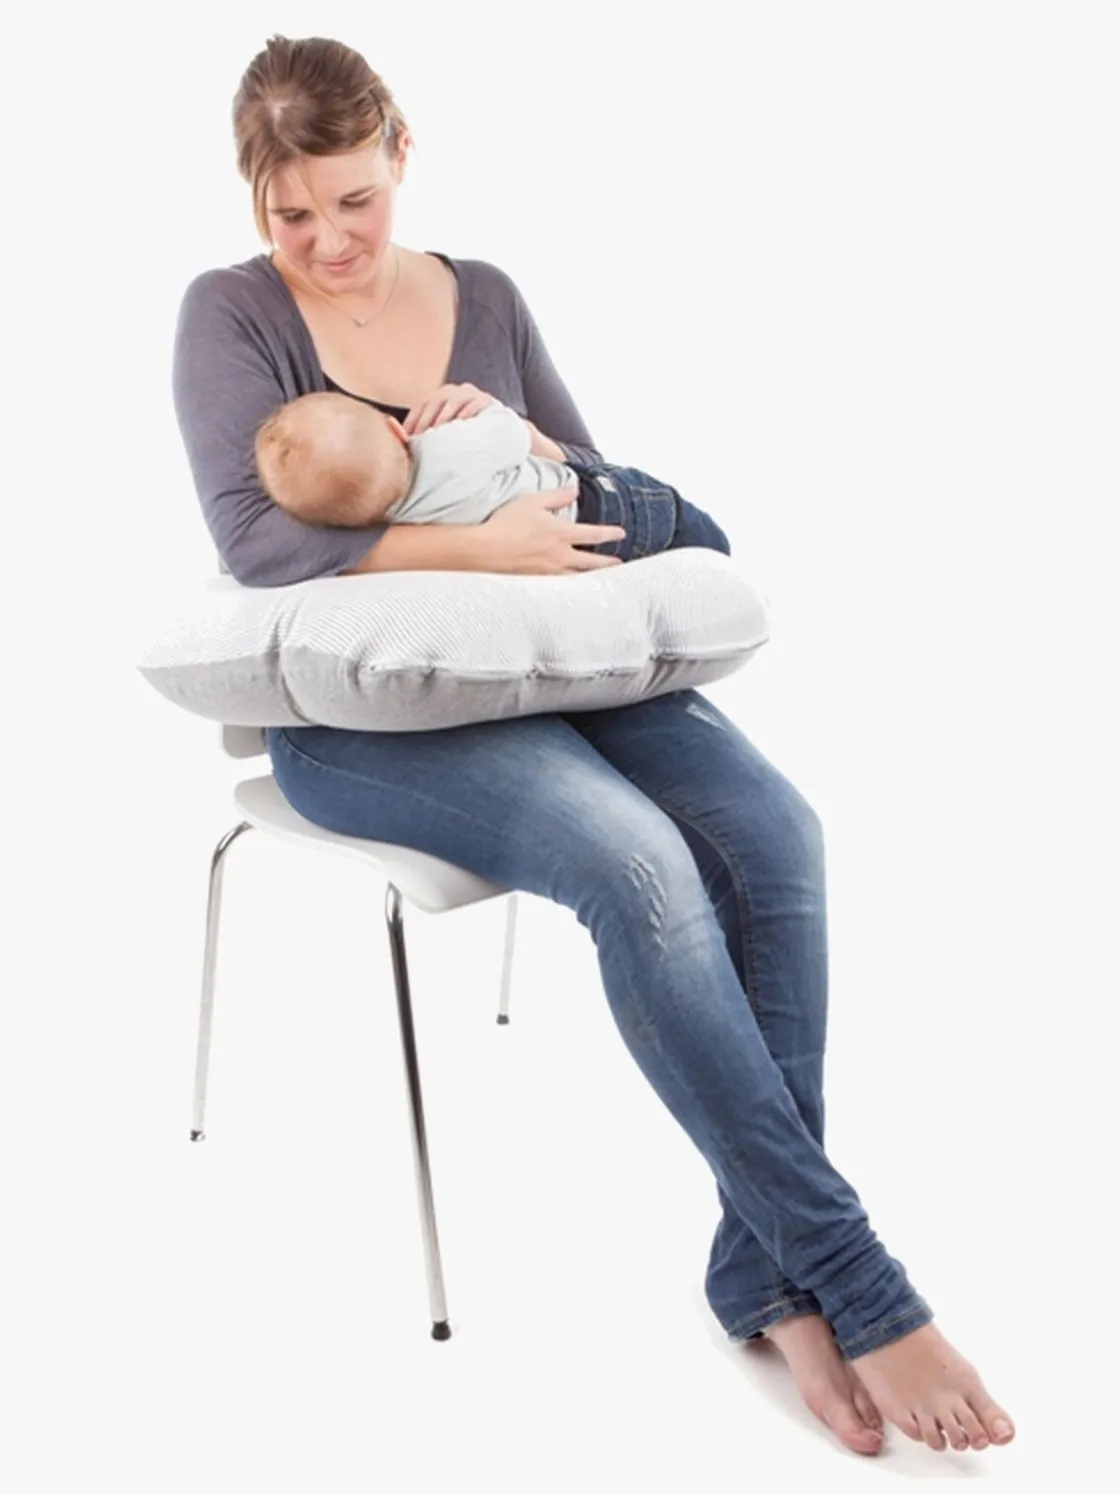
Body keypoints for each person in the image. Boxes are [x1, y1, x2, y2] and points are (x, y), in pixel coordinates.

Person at [171, 34, 1016, 1459]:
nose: (327, 240)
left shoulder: (487, 297)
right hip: (365, 724)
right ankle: (855, 1282)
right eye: (290, 212)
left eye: (354, 200)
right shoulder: (230, 315)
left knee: (776, 834)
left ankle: (763, 1270)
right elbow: (256, 541)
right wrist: (474, 546)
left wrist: (519, 449)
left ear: (402, 154)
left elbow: (585, 481)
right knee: (640, 866)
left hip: (545, 670)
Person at [252, 386, 732, 562]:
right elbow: (512, 434)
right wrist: (486, 409)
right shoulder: (446, 448)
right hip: (603, 502)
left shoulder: (397, 526)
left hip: (576, 551)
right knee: (681, 519)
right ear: (395, 430)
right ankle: (719, 554)